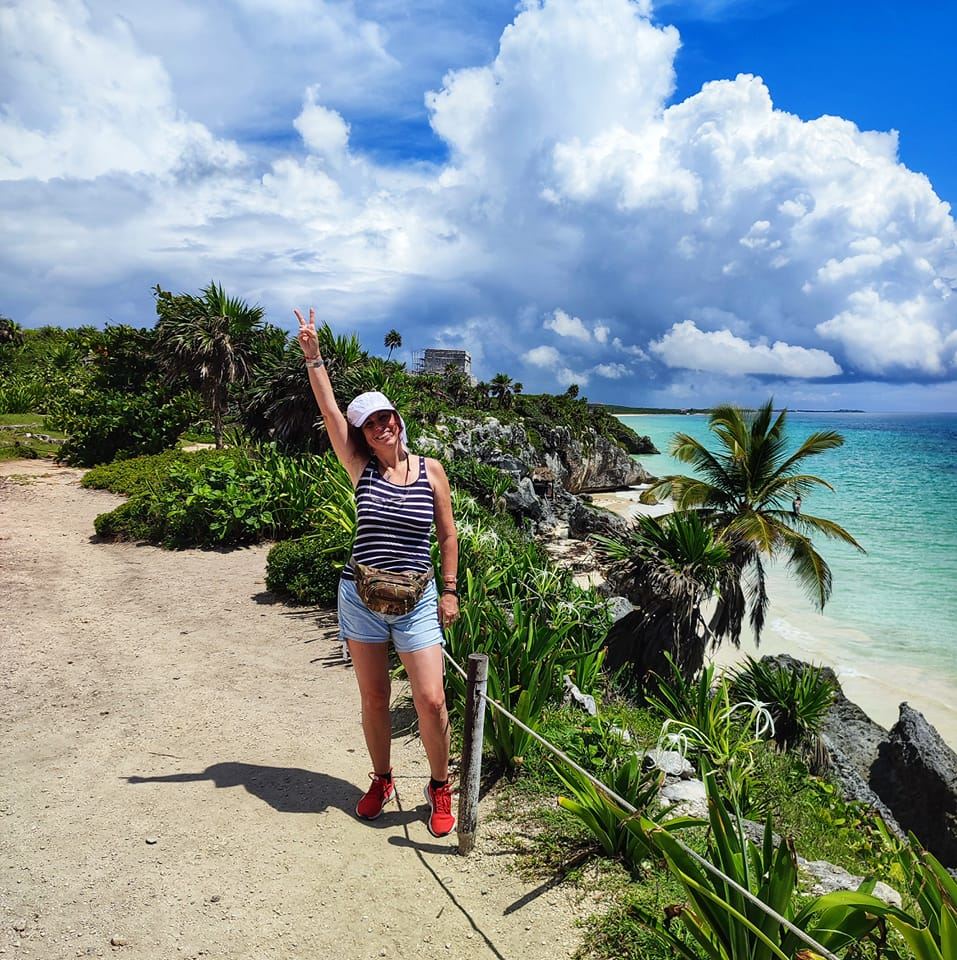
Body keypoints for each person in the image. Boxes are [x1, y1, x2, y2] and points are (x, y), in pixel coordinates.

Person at [294, 307, 460, 838]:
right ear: (362, 435)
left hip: (417, 599)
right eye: (370, 423)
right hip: (360, 596)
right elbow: (329, 410)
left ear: (398, 420)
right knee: (373, 698)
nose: (381, 426)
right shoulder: (359, 466)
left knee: (431, 700)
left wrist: (450, 593)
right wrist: (314, 358)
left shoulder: (431, 470)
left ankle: (439, 785)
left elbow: (448, 536)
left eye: (386, 417)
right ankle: (383, 778)